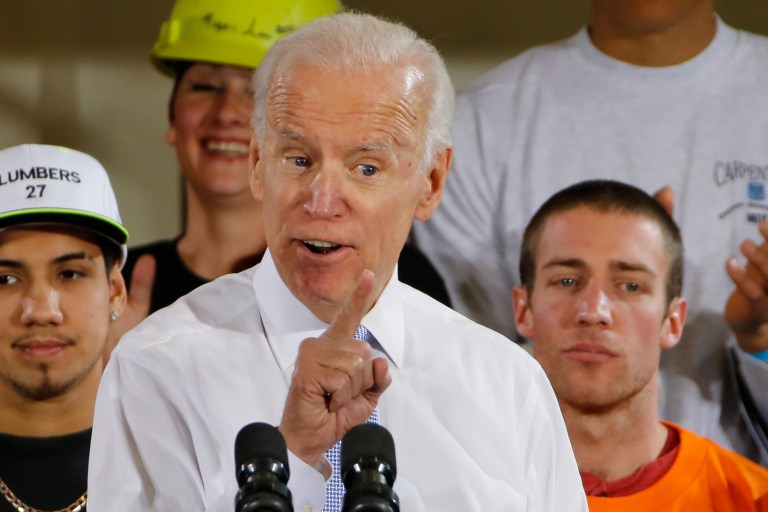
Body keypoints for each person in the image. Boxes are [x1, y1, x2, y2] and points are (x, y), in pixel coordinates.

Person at [88, 12, 587, 511]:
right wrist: (294, 459)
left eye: (366, 167)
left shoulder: (508, 385)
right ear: (258, 163)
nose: (323, 201)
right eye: (299, 160)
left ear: (431, 183)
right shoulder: (156, 368)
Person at [413, 0, 768, 463]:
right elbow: (466, 385)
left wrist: (759, 339)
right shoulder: (481, 125)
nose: (597, 310)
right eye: (567, 279)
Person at [116, 0, 450, 347]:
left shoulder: (398, 276)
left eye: (253, 89)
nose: (227, 113)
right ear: (171, 117)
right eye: (206, 87)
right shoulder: (112, 284)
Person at [513, 179, 768, 510]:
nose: (593, 311)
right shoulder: (457, 483)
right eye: (566, 280)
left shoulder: (754, 499)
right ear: (523, 309)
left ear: (673, 321)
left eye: (630, 286)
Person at [0, 144, 128, 511]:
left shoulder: (179, 457)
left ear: (115, 292)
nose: (41, 311)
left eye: (70, 274)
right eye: (5, 279)